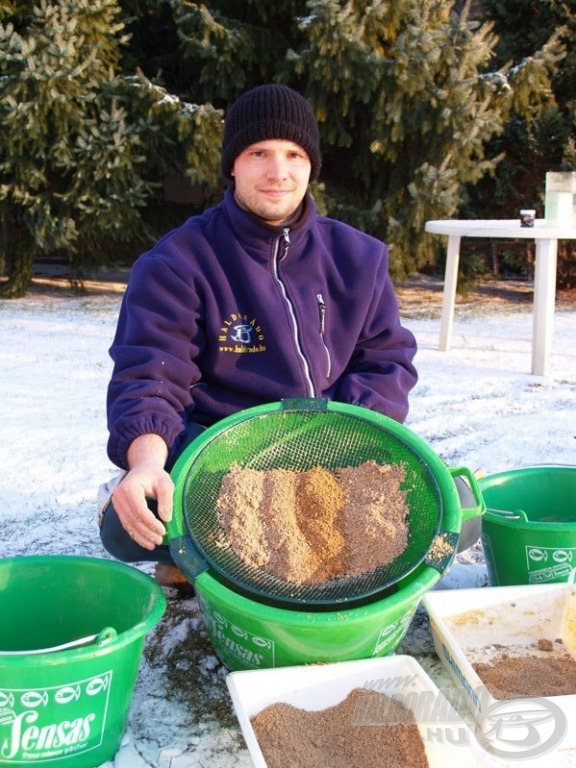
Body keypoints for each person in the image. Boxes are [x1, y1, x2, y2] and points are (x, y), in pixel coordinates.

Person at [98, 83, 424, 591]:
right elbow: (151, 373)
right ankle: (196, 538)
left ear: (311, 165)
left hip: (333, 449)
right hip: (227, 461)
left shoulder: (358, 257)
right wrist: (145, 464)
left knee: (460, 517)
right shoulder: (177, 262)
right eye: (259, 153)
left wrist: (353, 440)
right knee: (127, 528)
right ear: (232, 164)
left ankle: (205, 557)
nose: (279, 171)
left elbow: (387, 359)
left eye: (294, 154)